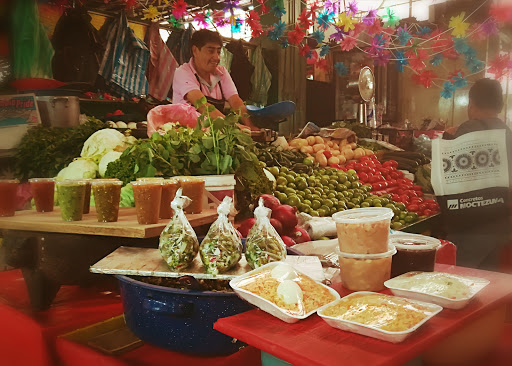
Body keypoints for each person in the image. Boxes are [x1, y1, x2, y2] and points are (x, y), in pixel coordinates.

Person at [433, 78, 512, 270]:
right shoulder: (507, 133)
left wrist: (449, 139)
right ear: (500, 105)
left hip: (468, 229)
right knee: (489, 281)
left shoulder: (463, 132)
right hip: (502, 226)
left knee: (460, 281)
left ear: (471, 104)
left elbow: (441, 180)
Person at [172, 29, 258, 130]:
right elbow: (202, 105)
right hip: (185, 135)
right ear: (195, 50)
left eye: (218, 51)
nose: (216, 57)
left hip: (213, 137)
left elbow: (235, 101)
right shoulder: (183, 72)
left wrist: (251, 127)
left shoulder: (222, 72)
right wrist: (237, 128)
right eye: (210, 51)